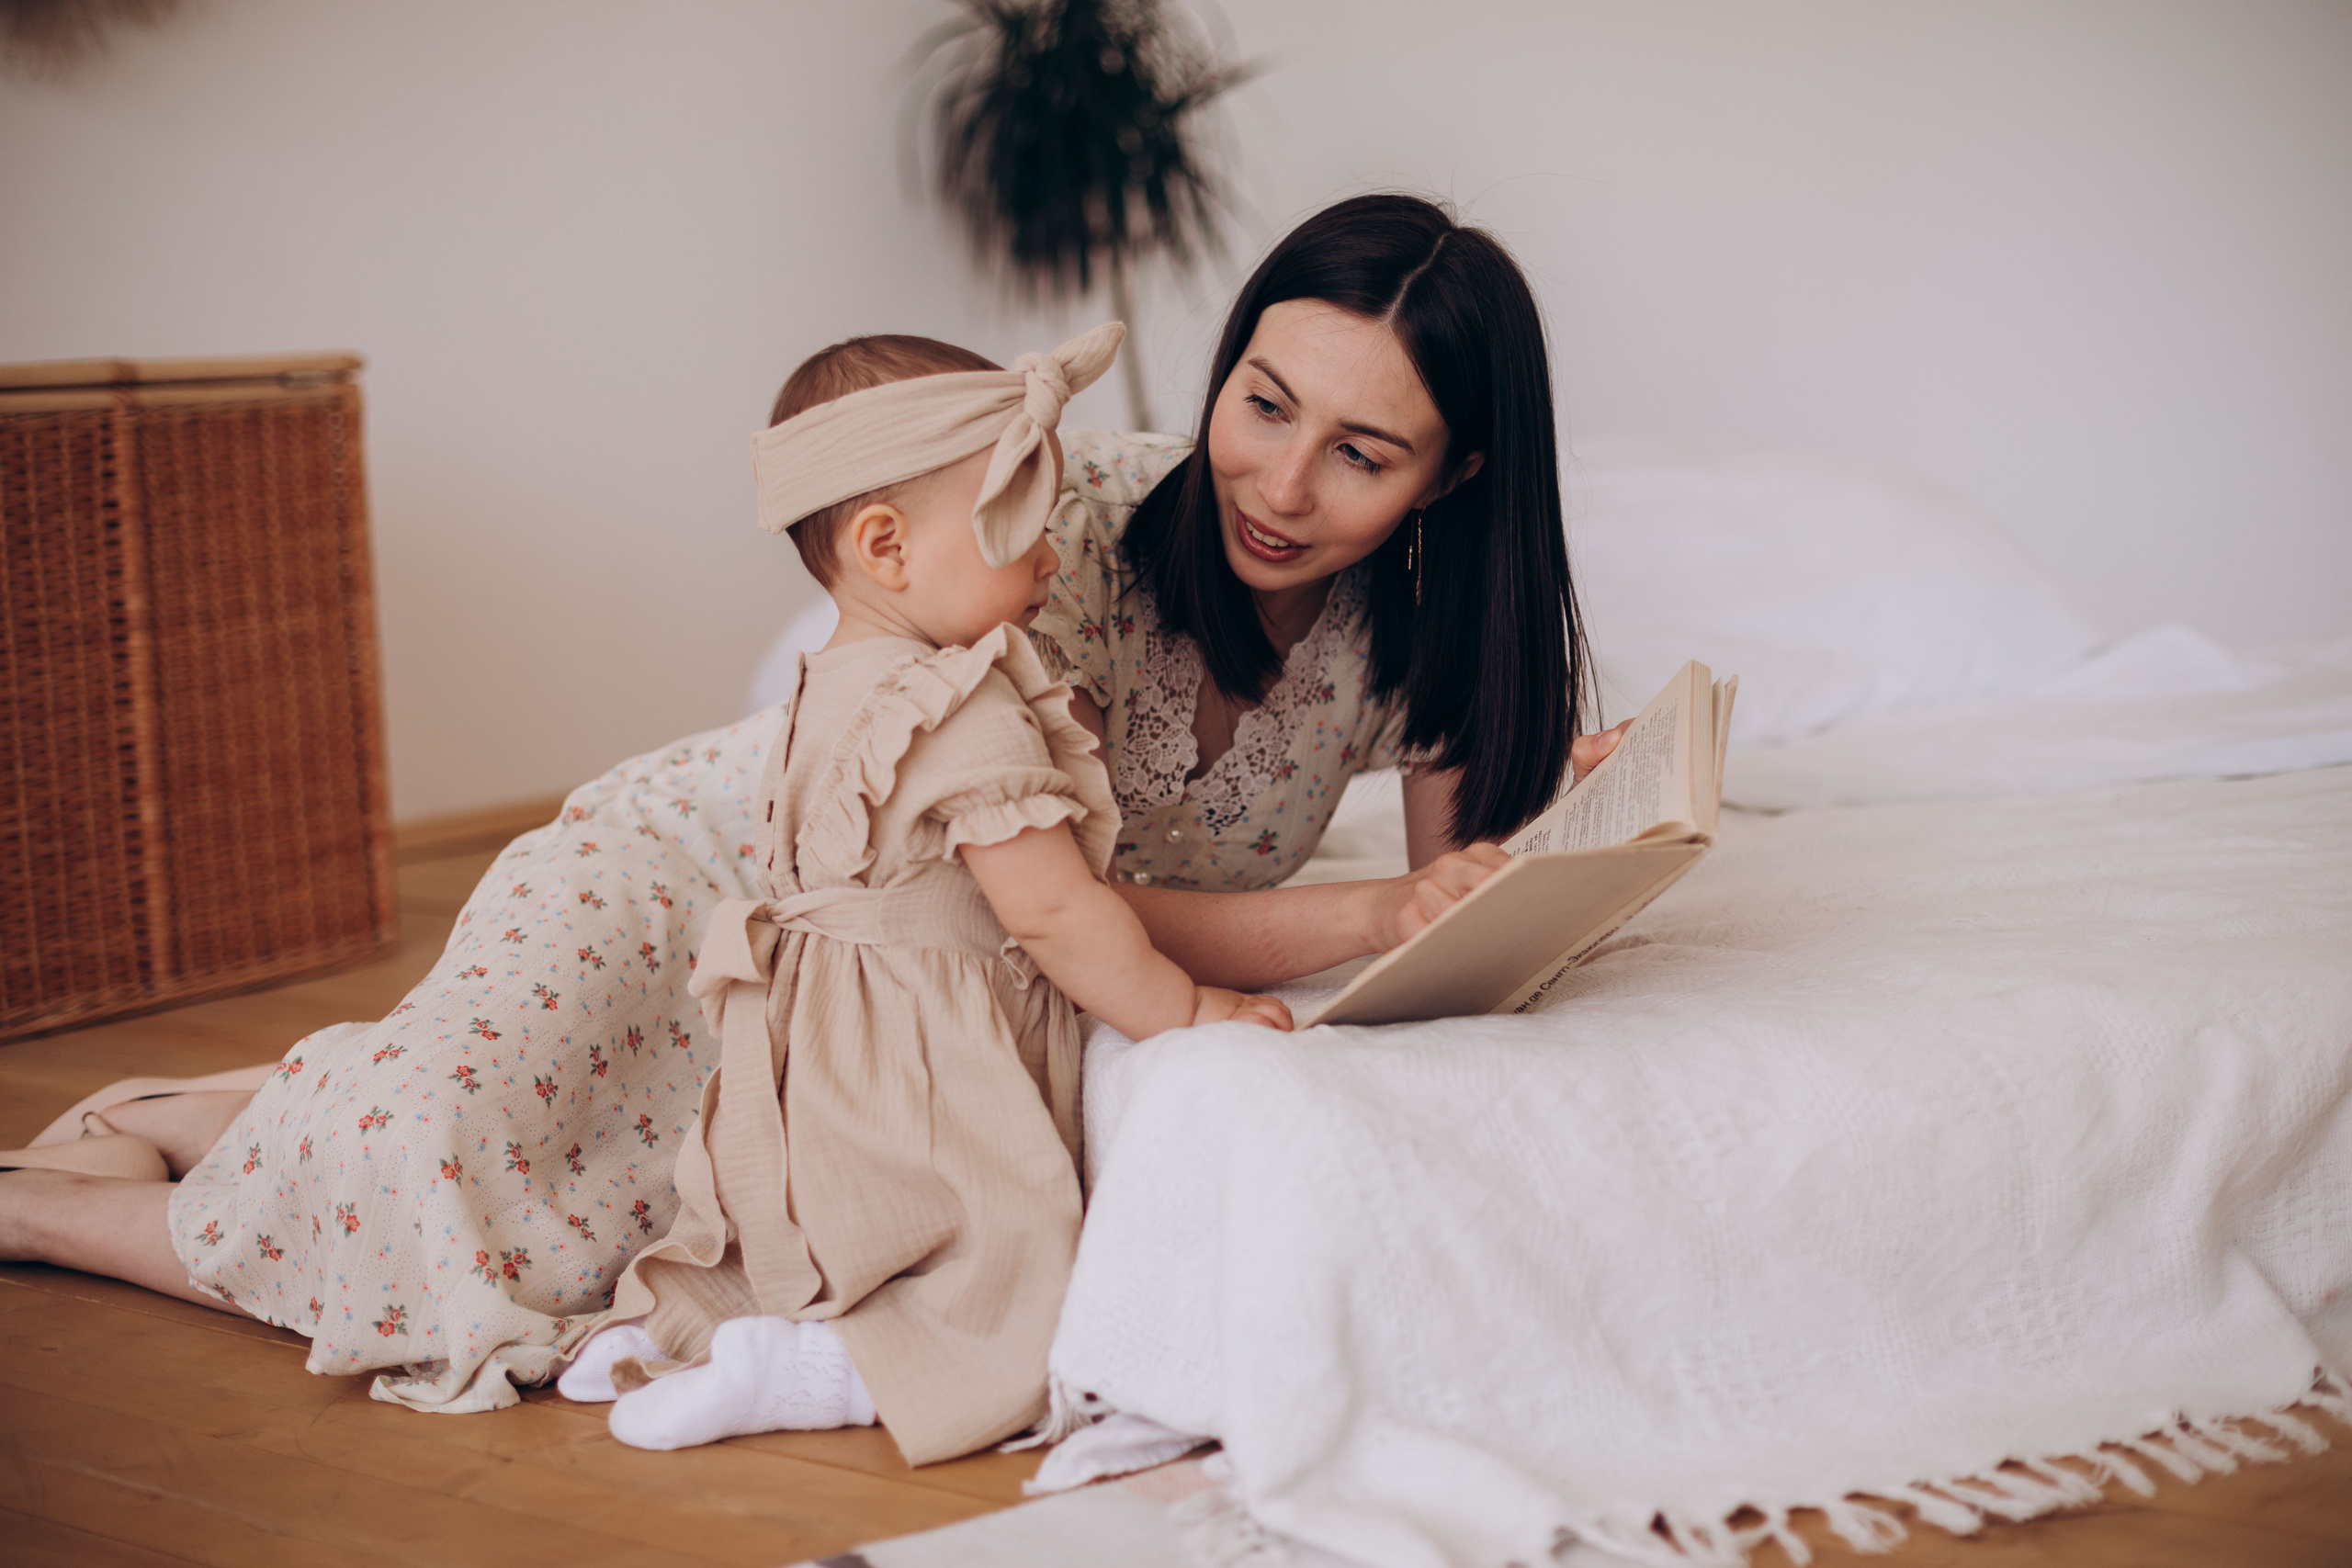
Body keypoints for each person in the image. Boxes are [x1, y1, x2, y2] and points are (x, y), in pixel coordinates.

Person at [0, 191, 1620, 1416]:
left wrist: (1564, 850)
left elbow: (1459, 914)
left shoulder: (1417, 639)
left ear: (1454, 479)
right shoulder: (1056, 522)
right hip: (734, 873)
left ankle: (204, 1116)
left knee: (577, 1214)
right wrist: (1369, 915)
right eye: (1264, 403)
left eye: (1363, 453)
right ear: (1228, 365)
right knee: (461, 1209)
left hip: (882, 995)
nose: (1281, 484)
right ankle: (55, 1212)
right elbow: (1042, 902)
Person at [553, 322, 1291, 1464]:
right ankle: (816, 1370)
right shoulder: (961, 703)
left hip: (814, 1058)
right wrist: (1187, 1013)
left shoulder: (822, 686)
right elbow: (1054, 910)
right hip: (922, 1066)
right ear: (887, 544)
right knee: (1010, 1267)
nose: (1051, 560)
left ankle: (672, 1333)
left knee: (810, 1234)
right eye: (1022, 532)